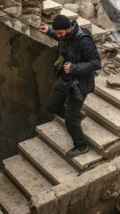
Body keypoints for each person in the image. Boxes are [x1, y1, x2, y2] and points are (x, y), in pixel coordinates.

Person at [39, 14, 101, 157]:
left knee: (70, 119)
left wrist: (74, 68)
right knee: (52, 106)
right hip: (65, 79)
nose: (58, 36)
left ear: (69, 29)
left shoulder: (84, 41)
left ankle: (81, 145)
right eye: (57, 33)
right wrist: (49, 31)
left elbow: (97, 63)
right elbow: (63, 39)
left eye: (60, 33)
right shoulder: (65, 36)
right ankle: (78, 115)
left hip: (79, 84)